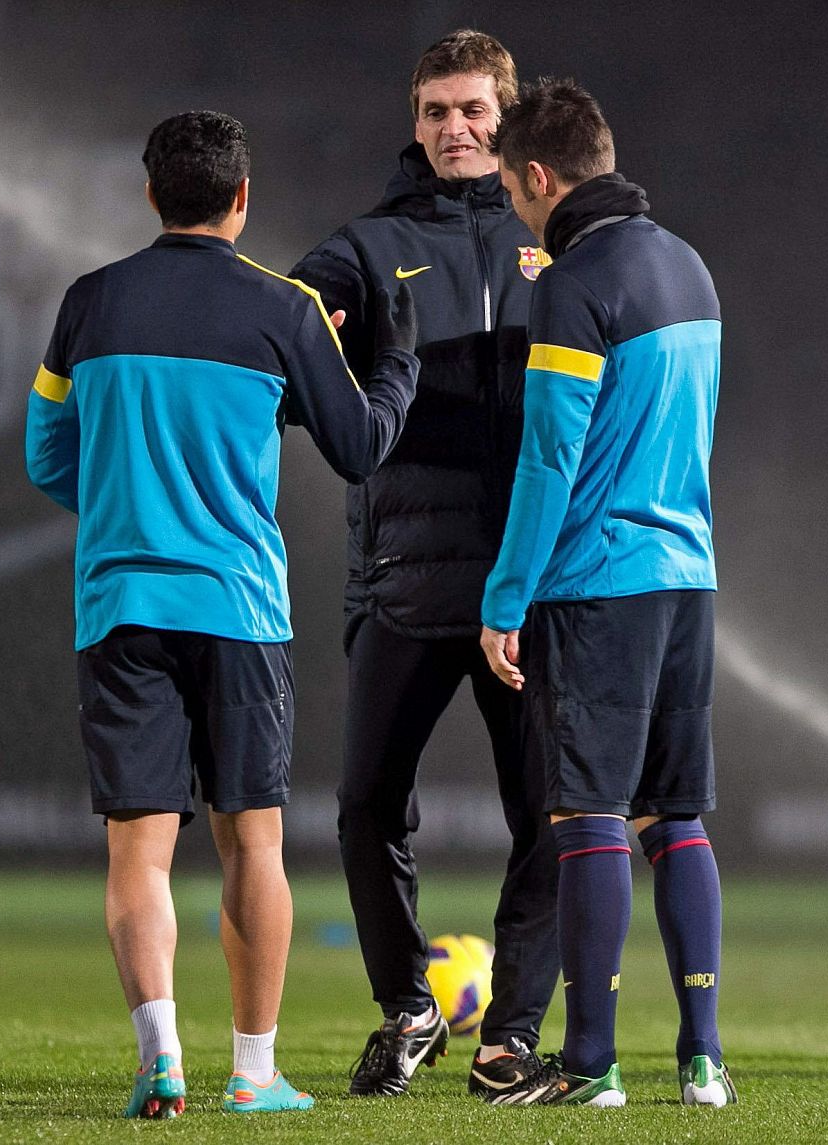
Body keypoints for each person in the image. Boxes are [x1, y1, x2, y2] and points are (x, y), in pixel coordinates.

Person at [25, 110, 418, 1119]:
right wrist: (397, 362)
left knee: (137, 852)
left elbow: (47, 455)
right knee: (252, 842)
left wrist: (130, 502)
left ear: (151, 194)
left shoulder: (90, 303)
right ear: (242, 198)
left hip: (120, 605)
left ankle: (161, 1059)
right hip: (238, 611)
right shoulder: (282, 310)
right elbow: (361, 444)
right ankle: (252, 1070)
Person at [290, 28, 561, 1099]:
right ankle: (408, 1007)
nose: (456, 127)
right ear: (415, 121)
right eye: (438, 110)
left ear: (509, 118)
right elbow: (283, 344)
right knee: (364, 804)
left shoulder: (560, 239)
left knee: (546, 811)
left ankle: (510, 1036)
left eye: (475, 110)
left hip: (528, 589)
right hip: (402, 576)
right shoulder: (362, 248)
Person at [478, 79, 732, 1107]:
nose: (510, 203)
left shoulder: (574, 285)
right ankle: (703, 1058)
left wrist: (504, 597)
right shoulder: (686, 263)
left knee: (585, 812)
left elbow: (549, 458)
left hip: (597, 585)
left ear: (537, 176)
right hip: (689, 578)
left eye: (509, 185)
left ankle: (588, 1063)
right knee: (676, 817)